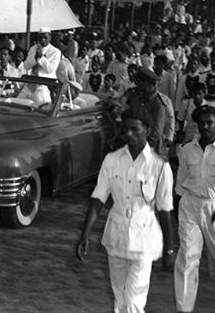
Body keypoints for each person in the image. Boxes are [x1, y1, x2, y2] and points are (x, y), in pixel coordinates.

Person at [76, 108, 175, 313]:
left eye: (134, 129)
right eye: (125, 129)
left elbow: (165, 211)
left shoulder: (159, 167)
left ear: (146, 130)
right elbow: (98, 199)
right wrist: (84, 234)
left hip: (144, 240)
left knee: (133, 302)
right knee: (120, 297)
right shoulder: (111, 160)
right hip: (117, 236)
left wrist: (170, 248)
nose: (129, 134)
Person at [175, 105, 215, 312]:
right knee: (187, 257)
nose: (205, 126)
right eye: (201, 122)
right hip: (190, 205)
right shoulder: (186, 150)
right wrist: (177, 205)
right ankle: (184, 307)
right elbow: (181, 180)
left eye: (209, 122)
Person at [21, 28, 61, 103]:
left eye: (45, 37)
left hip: (44, 86)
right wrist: (35, 59)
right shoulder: (33, 48)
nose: (43, 40)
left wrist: (41, 57)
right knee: (17, 104)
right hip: (30, 83)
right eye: (41, 38)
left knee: (39, 107)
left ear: (50, 37)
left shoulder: (55, 52)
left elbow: (50, 69)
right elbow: (26, 66)